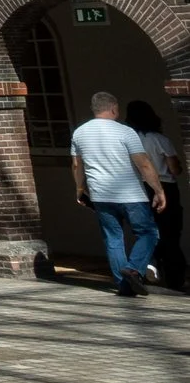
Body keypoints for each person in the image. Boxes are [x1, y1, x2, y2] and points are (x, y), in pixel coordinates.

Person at [71, 92, 166, 297]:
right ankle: (133, 269)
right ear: (113, 108)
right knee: (148, 233)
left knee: (113, 239)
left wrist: (80, 188)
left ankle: (124, 286)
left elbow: (77, 164)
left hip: (100, 194)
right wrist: (158, 190)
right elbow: (144, 163)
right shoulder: (126, 132)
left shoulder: (80, 133)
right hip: (131, 194)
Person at [122, 99, 182, 292]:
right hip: (165, 186)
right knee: (171, 233)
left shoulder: (129, 139)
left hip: (139, 187)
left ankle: (151, 265)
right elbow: (174, 169)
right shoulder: (160, 139)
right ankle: (174, 279)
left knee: (148, 230)